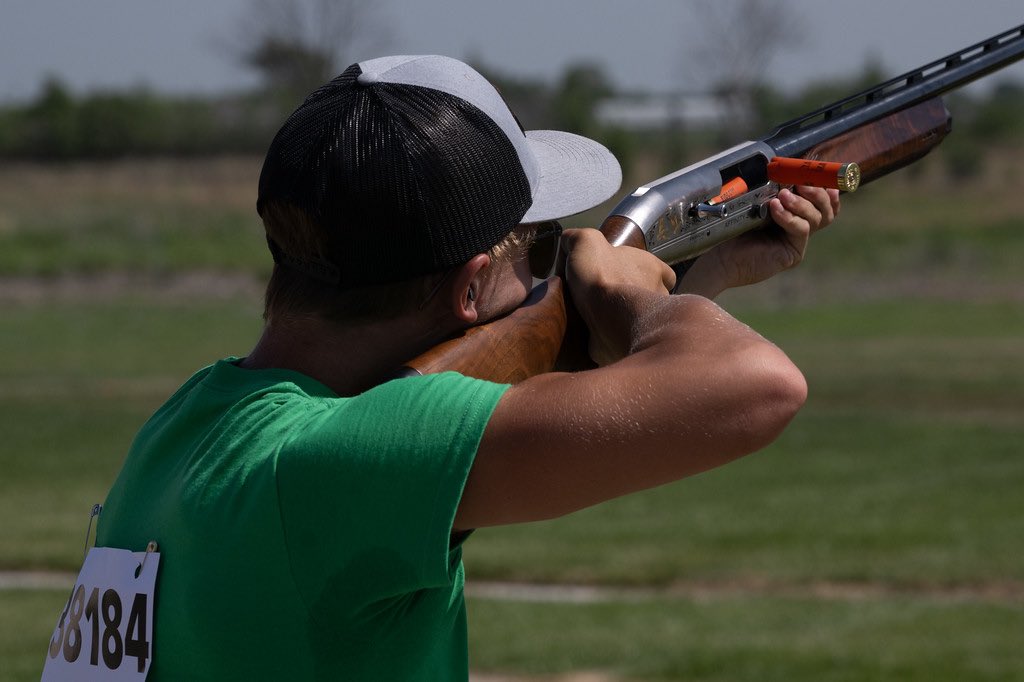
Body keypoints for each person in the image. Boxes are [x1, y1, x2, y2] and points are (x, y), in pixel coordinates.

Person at [96, 55, 839, 680]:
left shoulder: (194, 422)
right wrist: (616, 287)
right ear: (470, 289)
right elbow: (759, 387)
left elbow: (569, 406)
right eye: (546, 250)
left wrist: (697, 281)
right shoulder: (337, 465)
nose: (560, 269)